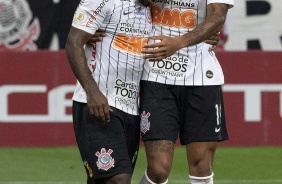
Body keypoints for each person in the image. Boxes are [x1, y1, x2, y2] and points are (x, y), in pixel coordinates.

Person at [138, 0, 234, 184]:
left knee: (202, 167)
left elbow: (218, 16)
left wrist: (179, 42)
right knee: (158, 170)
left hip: (202, 78)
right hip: (157, 76)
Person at [65, 0, 152, 183]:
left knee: (101, 179)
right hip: (101, 104)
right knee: (118, 179)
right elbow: (73, 43)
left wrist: (205, 36)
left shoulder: (153, 9)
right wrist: (92, 92)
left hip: (132, 108)